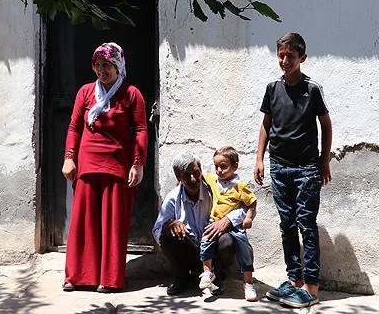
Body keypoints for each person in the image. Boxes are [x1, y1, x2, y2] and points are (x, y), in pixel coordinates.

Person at [254, 32, 332, 308]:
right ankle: (294, 280)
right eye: (281, 55)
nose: (285, 60)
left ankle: (311, 287)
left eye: (291, 56)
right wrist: (259, 158)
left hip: (306, 168)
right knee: (286, 224)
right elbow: (266, 123)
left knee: (306, 224)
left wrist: (324, 161)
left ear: (302, 58)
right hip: (279, 166)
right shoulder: (272, 88)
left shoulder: (312, 89)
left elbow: (326, 125)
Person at [62, 42, 148, 293]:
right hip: (87, 166)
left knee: (113, 225)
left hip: (117, 167)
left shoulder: (131, 94)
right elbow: (74, 127)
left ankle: (110, 279)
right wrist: (69, 157)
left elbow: (141, 130)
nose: (101, 70)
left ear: (118, 65)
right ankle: (78, 276)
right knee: (83, 223)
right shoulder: (85, 92)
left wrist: (138, 164)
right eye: (97, 65)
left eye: (107, 64)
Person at [152, 151, 244, 296]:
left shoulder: (215, 190)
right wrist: (169, 225)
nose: (193, 179)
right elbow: (157, 231)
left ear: (201, 171)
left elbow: (244, 207)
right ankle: (182, 276)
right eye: (186, 175)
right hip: (189, 251)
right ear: (178, 177)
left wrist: (226, 220)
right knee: (167, 233)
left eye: (196, 172)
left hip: (212, 250)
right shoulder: (173, 198)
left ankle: (217, 277)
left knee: (227, 240)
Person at [198, 146, 258, 301]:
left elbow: (252, 202)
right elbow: (201, 174)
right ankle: (207, 273)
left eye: (223, 166)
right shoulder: (213, 180)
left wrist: (249, 217)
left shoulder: (239, 186)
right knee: (206, 240)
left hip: (235, 226)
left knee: (244, 248)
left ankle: (248, 282)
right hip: (215, 221)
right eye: (216, 166)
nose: (219, 170)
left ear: (235, 166)